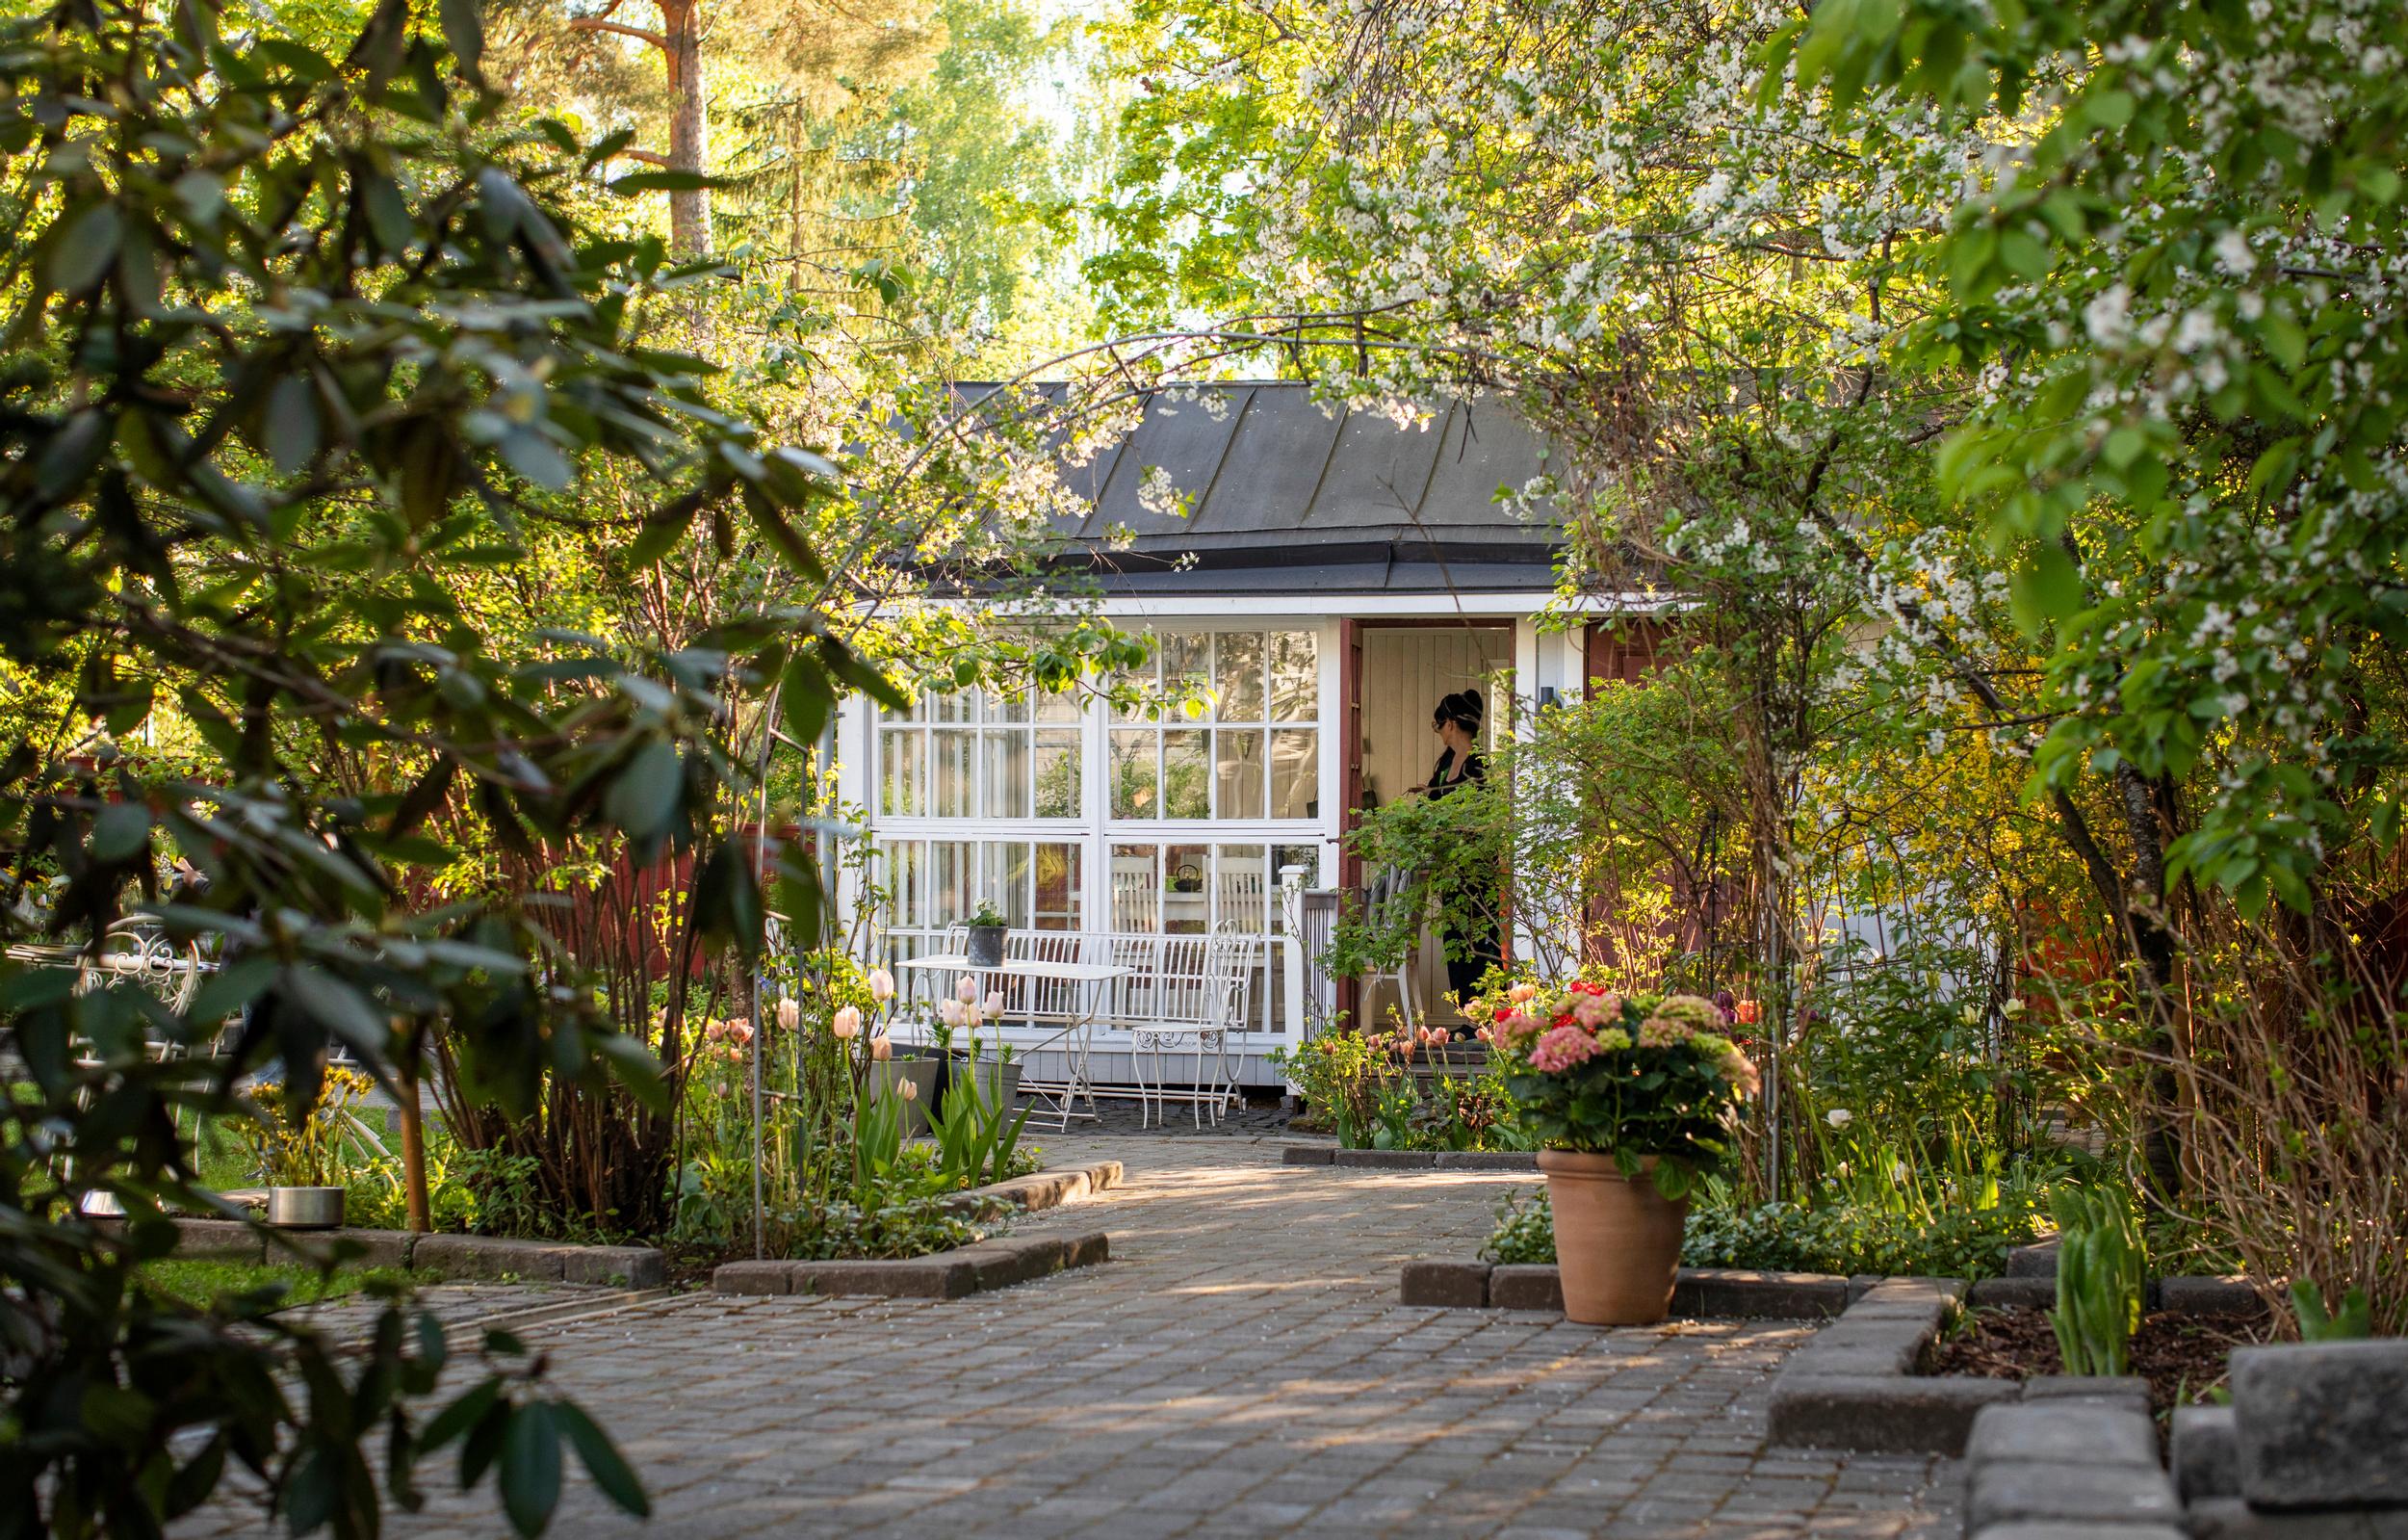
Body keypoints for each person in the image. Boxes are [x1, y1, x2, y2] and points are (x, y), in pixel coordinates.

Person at [1413, 691, 1501, 1017]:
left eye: (1439, 727)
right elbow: (1438, 807)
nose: (1440, 734)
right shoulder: (1445, 764)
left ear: (1450, 724)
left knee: (1481, 941)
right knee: (1455, 942)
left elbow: (1482, 814)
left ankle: (1488, 1016)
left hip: (1475, 869)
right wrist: (1428, 795)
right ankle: (1467, 1016)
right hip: (1450, 868)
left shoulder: (1479, 763)